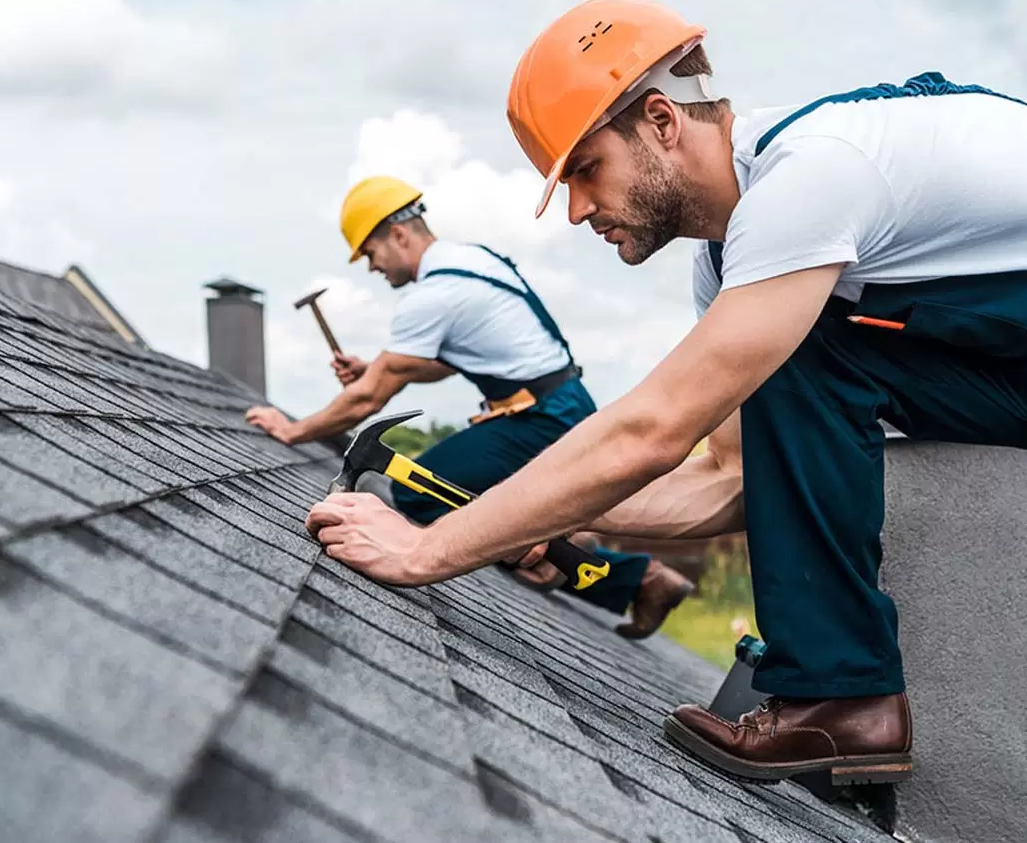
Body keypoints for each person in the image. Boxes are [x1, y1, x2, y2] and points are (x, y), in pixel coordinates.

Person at [303, 0, 1027, 786]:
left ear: (662, 122)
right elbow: (731, 478)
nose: (576, 212)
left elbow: (652, 430)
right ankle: (843, 696)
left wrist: (430, 548)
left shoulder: (811, 179)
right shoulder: (738, 269)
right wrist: (540, 518)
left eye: (587, 170)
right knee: (803, 353)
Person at [245, 174, 695, 638]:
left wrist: (293, 430)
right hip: (556, 405)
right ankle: (614, 570)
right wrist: (375, 368)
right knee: (487, 503)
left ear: (398, 235)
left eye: (371, 254)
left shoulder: (434, 294)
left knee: (417, 492)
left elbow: (369, 398)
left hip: (539, 418)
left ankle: (607, 567)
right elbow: (440, 364)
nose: (373, 268)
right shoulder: (471, 262)